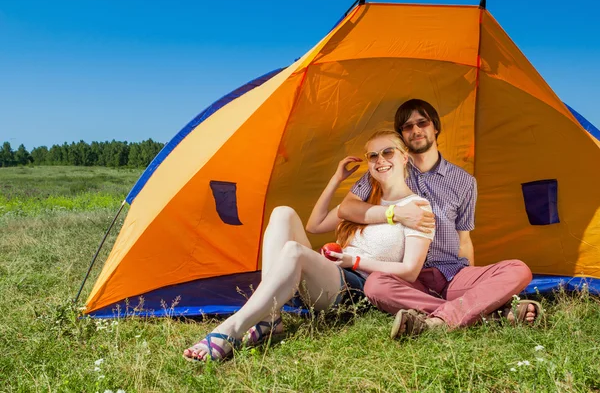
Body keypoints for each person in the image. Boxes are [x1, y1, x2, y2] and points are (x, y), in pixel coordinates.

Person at [183, 130, 434, 361]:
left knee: (295, 252)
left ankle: (231, 329)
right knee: (283, 213)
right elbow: (315, 225)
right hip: (334, 273)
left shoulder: (417, 207)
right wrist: (337, 178)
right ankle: (269, 319)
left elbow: (410, 270)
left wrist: (354, 262)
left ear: (404, 157)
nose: (381, 160)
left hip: (359, 288)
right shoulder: (365, 204)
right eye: (373, 155)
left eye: (388, 152)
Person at [338, 99, 541, 337]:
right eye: (407, 127)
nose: (415, 130)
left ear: (435, 127)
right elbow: (347, 208)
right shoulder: (387, 168)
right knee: (375, 285)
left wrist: (472, 287)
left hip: (453, 274)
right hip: (408, 277)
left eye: (422, 123)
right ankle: (489, 315)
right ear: (401, 137)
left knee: (518, 269)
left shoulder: (464, 181)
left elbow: (463, 238)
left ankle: (441, 319)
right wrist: (395, 213)